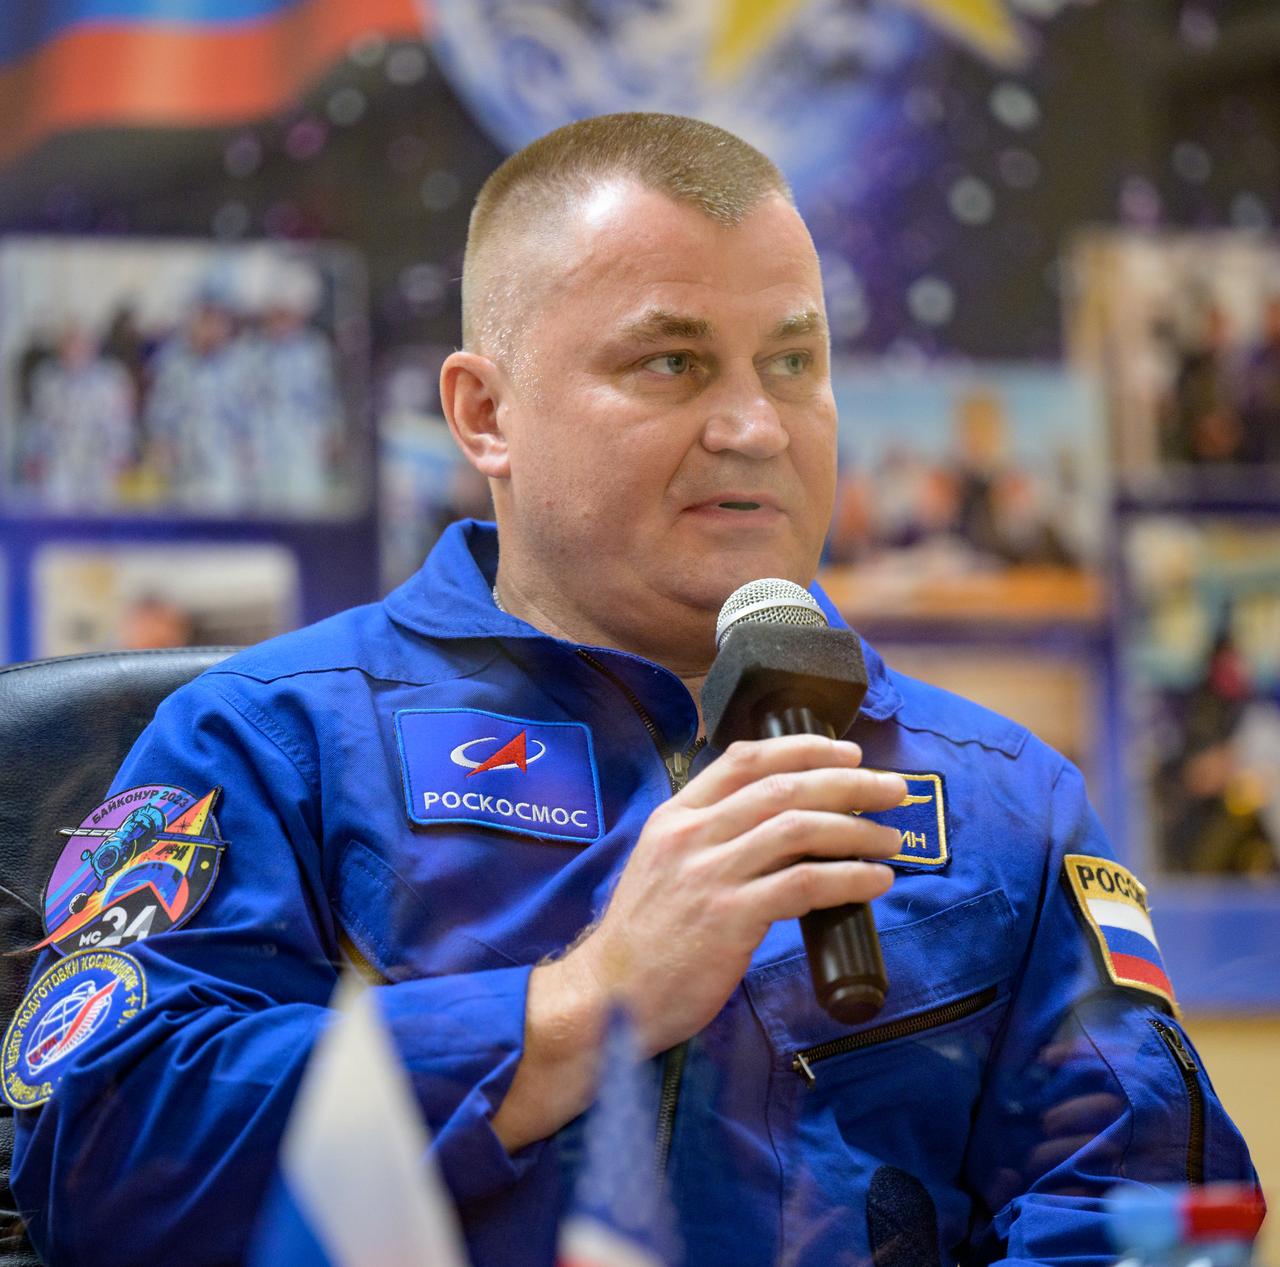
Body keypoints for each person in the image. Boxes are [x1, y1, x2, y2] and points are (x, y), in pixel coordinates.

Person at [10, 114, 1255, 1267]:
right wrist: (579, 1006)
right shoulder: (273, 741)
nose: (755, 425)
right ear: (485, 412)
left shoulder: (1002, 796)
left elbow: (1152, 1207)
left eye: (791, 360)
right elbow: (93, 1156)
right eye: (671, 362)